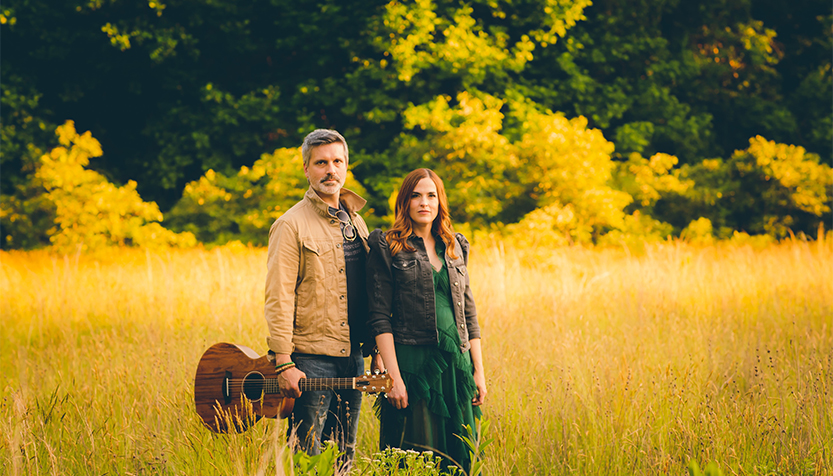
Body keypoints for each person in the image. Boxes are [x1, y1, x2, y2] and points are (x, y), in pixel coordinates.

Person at [264, 128, 380, 463]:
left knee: (344, 453)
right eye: (321, 163)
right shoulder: (290, 225)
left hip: (352, 356)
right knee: (307, 454)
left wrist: (374, 349)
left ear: (346, 166)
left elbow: (366, 291)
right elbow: (278, 297)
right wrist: (284, 361)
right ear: (306, 169)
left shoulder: (356, 221)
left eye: (337, 161)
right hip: (310, 359)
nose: (330, 169)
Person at [366, 168, 487, 471]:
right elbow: (379, 317)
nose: (424, 202)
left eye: (431, 195)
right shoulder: (388, 245)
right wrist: (392, 378)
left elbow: (468, 312)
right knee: (414, 452)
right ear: (405, 202)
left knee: (458, 452)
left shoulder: (455, 246)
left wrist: (479, 371)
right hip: (412, 364)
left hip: (456, 363)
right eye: (416, 195)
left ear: (440, 201)